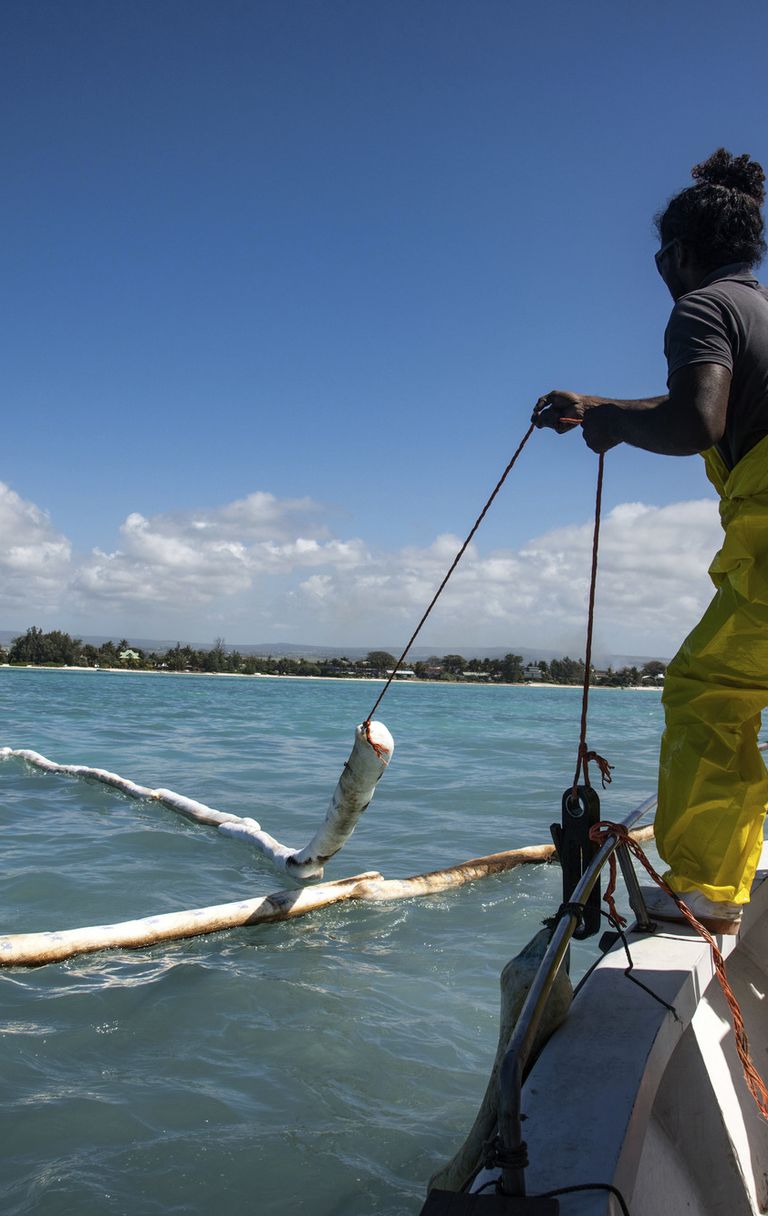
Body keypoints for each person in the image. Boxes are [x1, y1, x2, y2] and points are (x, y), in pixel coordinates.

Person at [533, 149, 768, 934]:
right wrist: (603, 408)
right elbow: (712, 403)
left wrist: (619, 426)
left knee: (709, 695)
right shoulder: (755, 309)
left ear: (678, 254)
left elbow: (696, 417)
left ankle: (704, 892)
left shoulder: (701, 308)